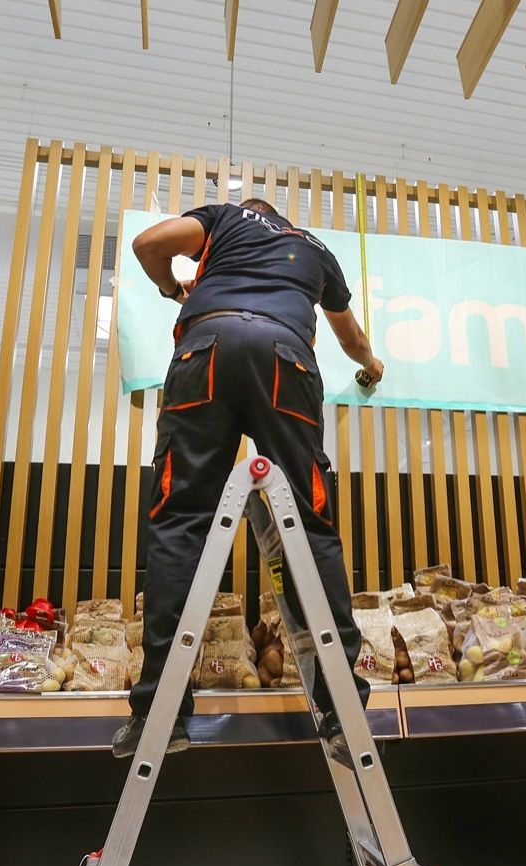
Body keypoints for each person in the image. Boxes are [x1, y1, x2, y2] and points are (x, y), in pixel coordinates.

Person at [113, 197, 385, 757]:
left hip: (205, 352)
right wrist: (371, 367)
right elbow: (352, 340)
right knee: (310, 527)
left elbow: (148, 246)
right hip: (286, 360)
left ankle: (159, 717)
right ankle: (341, 713)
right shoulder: (315, 249)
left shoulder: (223, 218)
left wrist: (175, 289)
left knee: (180, 522)